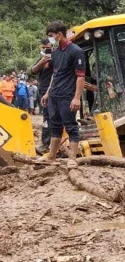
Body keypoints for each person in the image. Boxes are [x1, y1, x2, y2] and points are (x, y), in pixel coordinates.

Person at [41, 21, 85, 166]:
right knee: (55, 126)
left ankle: (73, 159)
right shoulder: (56, 53)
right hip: (55, 95)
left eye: (51, 36)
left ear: (59, 34)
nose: (50, 39)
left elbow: (80, 76)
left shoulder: (75, 51)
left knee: (71, 126)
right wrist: (48, 93)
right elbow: (55, 74)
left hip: (67, 95)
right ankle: (51, 156)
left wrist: (77, 98)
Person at [32, 37, 55, 149]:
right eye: (44, 48)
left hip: (55, 90)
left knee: (55, 116)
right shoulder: (42, 59)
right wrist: (41, 62)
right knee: (47, 117)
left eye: (48, 47)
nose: (46, 50)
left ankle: (55, 143)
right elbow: (32, 71)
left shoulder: (58, 57)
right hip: (43, 90)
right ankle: (46, 143)